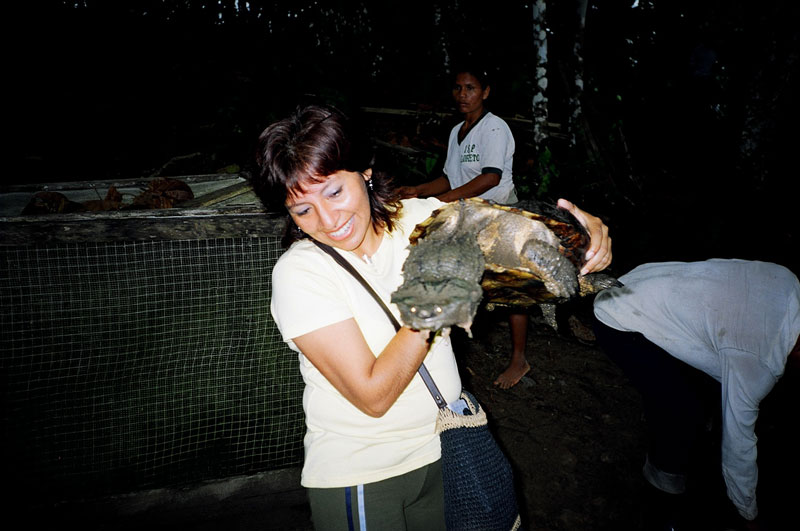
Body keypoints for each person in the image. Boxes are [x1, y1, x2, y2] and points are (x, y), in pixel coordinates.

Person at [252, 104, 611, 530]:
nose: (328, 221)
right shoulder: (301, 273)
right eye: (302, 210)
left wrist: (584, 239)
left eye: (333, 192)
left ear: (365, 172)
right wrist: (439, 294)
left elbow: (510, 237)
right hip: (363, 471)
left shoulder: (421, 218)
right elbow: (373, 396)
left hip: (447, 445)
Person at [398, 67, 611, 389]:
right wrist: (420, 190)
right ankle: (443, 353)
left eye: (470, 88)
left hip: (500, 213)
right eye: (457, 88)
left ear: (485, 92)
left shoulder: (494, 128)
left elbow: (490, 178)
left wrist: (442, 200)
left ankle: (519, 358)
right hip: (464, 213)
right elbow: (449, 177)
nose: (462, 95)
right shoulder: (458, 130)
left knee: (516, 282)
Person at [592, 259, 800, 531]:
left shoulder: (789, 281)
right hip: (619, 316)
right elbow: (738, 448)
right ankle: (661, 501)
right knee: (682, 417)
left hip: (639, 278)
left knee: (704, 399)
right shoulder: (760, 360)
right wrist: (749, 515)